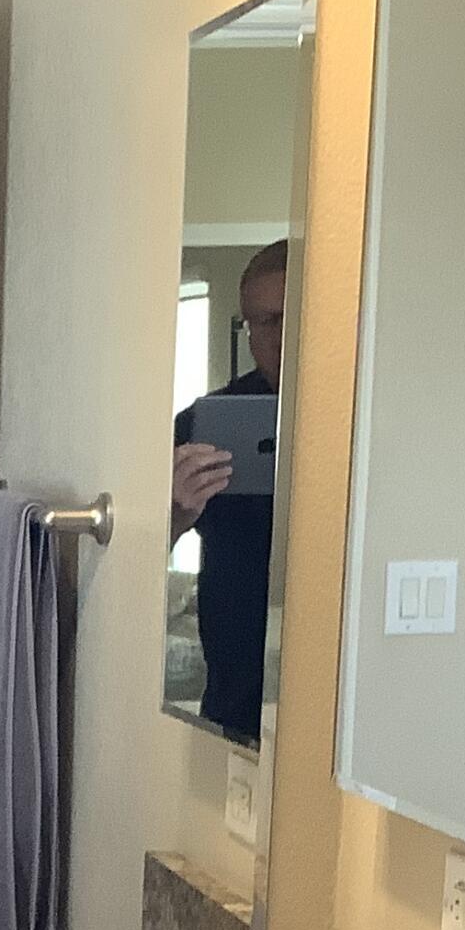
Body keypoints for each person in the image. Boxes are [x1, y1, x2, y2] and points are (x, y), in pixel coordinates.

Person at [169, 239, 286, 743]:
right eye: (264, 321)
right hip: (235, 700)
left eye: (292, 316)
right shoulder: (203, 424)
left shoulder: (380, 415)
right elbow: (129, 573)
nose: (279, 337)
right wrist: (173, 511)